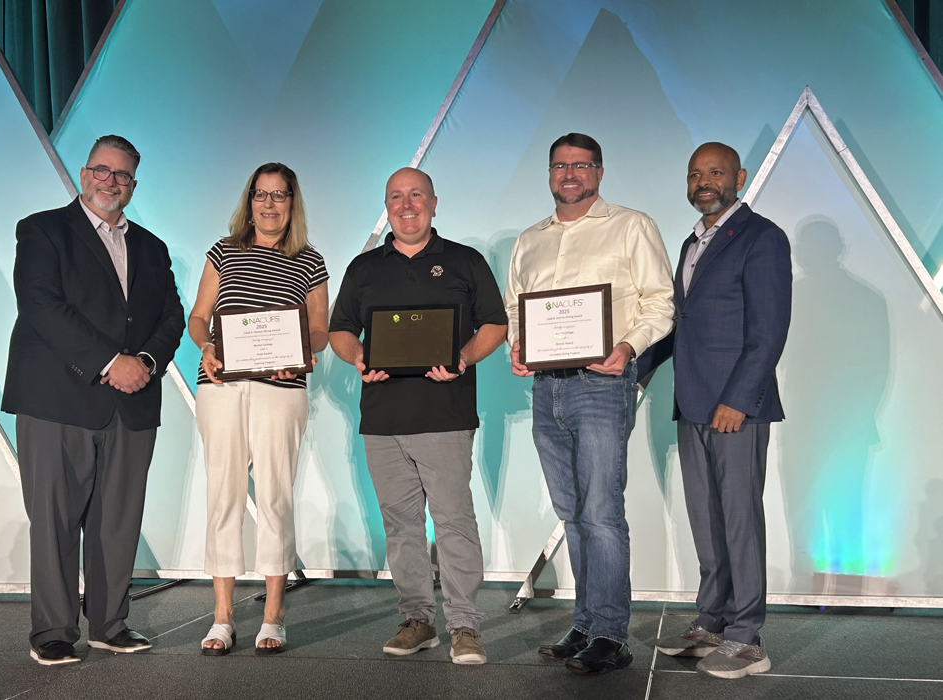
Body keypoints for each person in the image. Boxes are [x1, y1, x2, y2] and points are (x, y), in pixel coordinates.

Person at [2, 135, 185, 665]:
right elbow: (41, 304)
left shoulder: (151, 247)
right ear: (85, 175)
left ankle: (110, 624)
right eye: (102, 171)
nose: (111, 181)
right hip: (58, 398)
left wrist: (145, 364)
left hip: (131, 403)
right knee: (55, 519)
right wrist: (111, 362)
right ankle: (54, 632)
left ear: (133, 185)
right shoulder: (42, 230)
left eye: (123, 175)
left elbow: (170, 317)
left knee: (118, 521)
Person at [505, 133, 674, 675]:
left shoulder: (632, 225)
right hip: (546, 388)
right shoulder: (530, 239)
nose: (569, 174)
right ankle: (585, 622)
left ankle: (611, 635)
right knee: (573, 514)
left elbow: (661, 303)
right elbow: (515, 307)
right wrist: (518, 343)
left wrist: (627, 347)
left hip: (601, 386)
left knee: (601, 513)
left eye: (580, 165)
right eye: (560, 165)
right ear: (549, 173)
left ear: (599, 172)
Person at [328, 167, 507, 665]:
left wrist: (464, 359)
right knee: (401, 524)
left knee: (453, 522)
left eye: (416, 196)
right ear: (386, 207)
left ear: (433, 202)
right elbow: (340, 330)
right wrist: (358, 357)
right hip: (382, 418)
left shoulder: (464, 261)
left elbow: (496, 323)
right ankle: (417, 619)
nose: (407, 206)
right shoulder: (364, 268)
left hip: (446, 415)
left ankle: (466, 626)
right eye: (396, 198)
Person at [651, 142, 791, 679]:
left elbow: (768, 330)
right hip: (692, 405)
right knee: (707, 521)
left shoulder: (762, 238)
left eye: (714, 172)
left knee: (739, 520)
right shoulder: (692, 242)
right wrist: (628, 365)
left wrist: (738, 398)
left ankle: (746, 636)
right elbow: (679, 324)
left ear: (740, 176)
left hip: (735, 408)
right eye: (694, 174)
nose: (703, 182)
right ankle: (711, 622)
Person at [188, 163, 329, 656]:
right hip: (221, 386)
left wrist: (304, 354)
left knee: (275, 497)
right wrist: (206, 346)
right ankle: (223, 616)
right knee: (223, 497)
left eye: (280, 196)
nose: (270, 205)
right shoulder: (223, 251)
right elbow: (199, 317)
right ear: (249, 202)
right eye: (261, 196)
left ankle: (274, 613)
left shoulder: (309, 260)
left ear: (293, 202)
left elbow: (319, 329)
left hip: (281, 390)